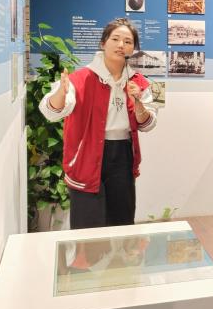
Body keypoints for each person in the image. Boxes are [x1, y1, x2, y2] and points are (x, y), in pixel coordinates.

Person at [40, 18, 158, 228]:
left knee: (122, 219)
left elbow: (148, 124)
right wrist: (61, 93)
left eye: (128, 42)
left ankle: (121, 251)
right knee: (87, 223)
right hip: (86, 154)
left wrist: (138, 102)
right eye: (115, 39)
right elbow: (52, 112)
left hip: (123, 154)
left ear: (133, 48)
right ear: (103, 43)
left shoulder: (139, 82)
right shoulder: (80, 78)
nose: (121, 45)